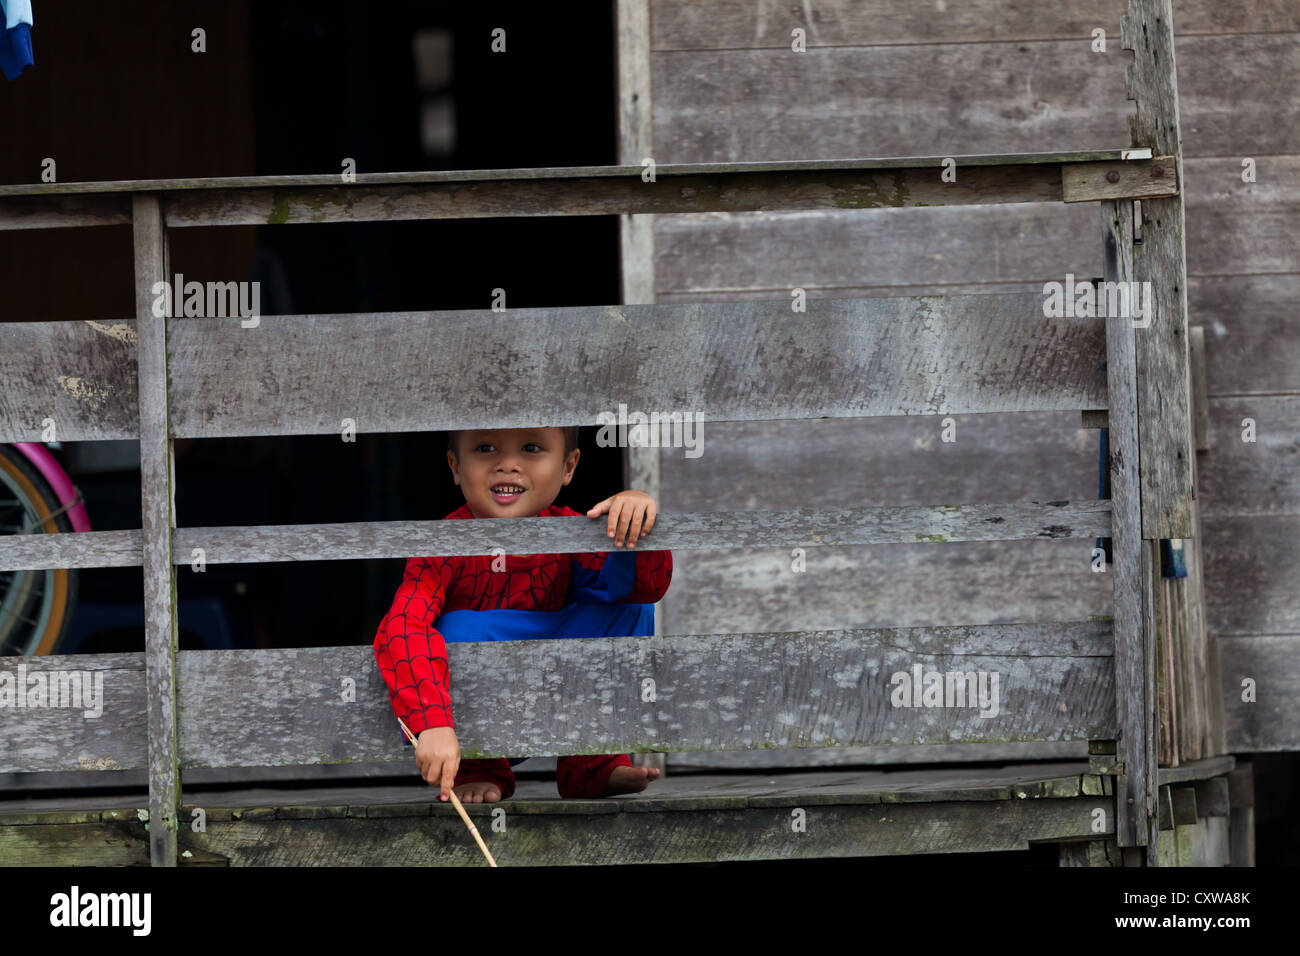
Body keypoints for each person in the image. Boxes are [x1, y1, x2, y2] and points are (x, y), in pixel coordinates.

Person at [373, 425, 672, 804]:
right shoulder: (442, 547)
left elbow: (642, 588)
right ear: (455, 466)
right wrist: (431, 722)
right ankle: (479, 766)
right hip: (471, 719)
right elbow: (401, 624)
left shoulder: (573, 533)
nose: (508, 465)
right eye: (485, 447)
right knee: (454, 627)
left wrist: (635, 518)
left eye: (531, 448)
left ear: (568, 467)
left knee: (631, 606)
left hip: (556, 689)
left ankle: (590, 759)